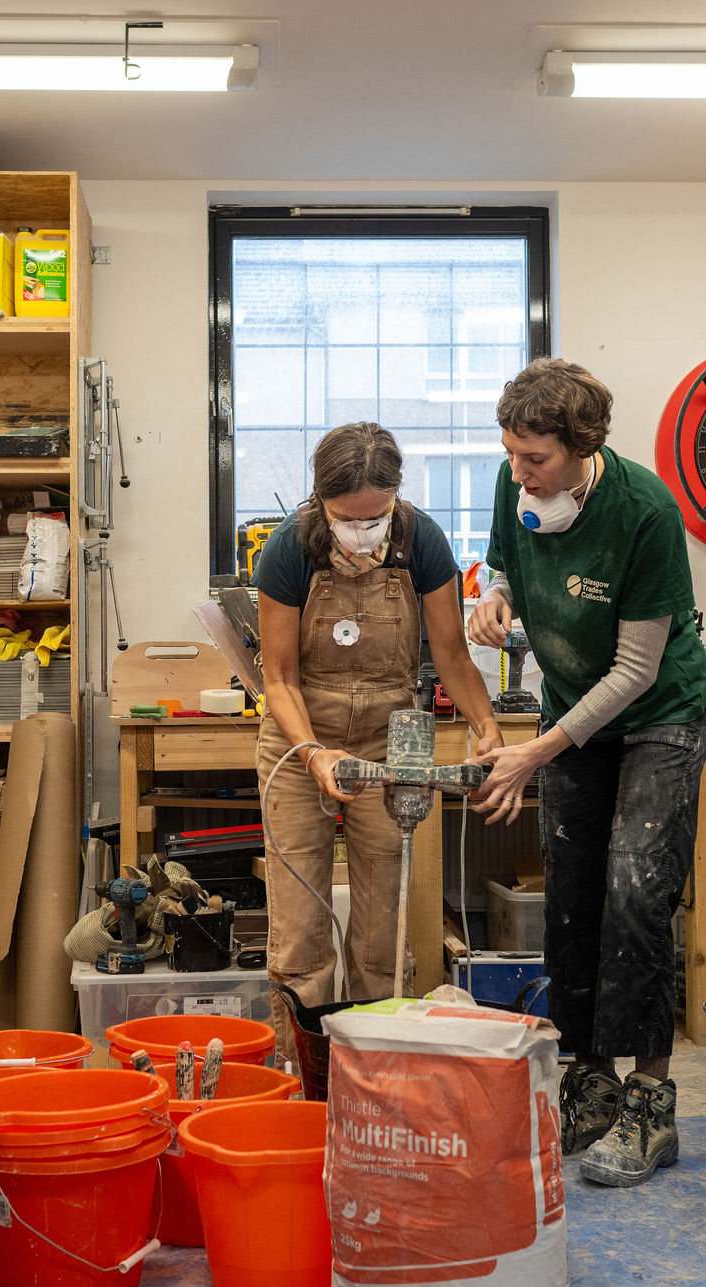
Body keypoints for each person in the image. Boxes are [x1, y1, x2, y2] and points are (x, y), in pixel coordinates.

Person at [468, 357, 706, 1188]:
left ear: (582, 447)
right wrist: (492, 600)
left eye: (535, 460)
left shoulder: (645, 511)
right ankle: (592, 1081)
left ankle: (649, 1100)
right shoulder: (517, 483)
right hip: (575, 711)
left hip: (659, 716)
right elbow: (502, 565)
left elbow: (637, 671)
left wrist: (538, 747)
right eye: (511, 454)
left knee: (637, 895)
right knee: (570, 899)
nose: (519, 472)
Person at [254, 421, 503, 1062]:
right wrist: (312, 753)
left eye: (376, 517)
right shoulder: (288, 549)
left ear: (395, 496)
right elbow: (277, 676)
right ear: (321, 503)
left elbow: (450, 653)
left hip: (392, 741)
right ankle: (303, 1076)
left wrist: (487, 729)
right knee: (299, 928)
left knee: (383, 926)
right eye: (346, 518)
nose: (362, 533)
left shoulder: (423, 540)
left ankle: (378, 1076)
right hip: (298, 737)